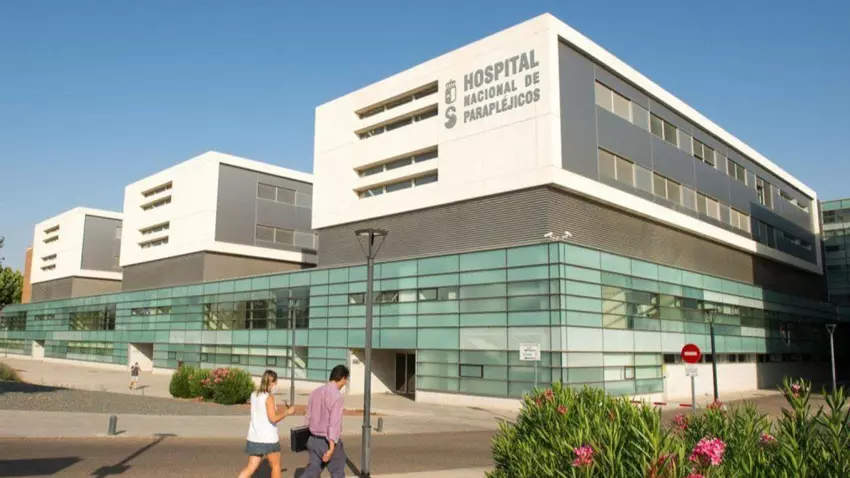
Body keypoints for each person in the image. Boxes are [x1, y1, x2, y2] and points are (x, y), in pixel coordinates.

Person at [238, 370, 296, 478]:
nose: (276, 385)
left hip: (254, 437)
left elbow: (262, 413)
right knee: (276, 466)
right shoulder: (268, 397)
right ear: (272, 382)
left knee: (250, 467)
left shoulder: (254, 395)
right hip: (268, 439)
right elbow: (273, 419)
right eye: (276, 382)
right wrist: (287, 412)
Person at [301, 365, 350, 478]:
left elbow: (307, 417)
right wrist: (331, 448)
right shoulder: (337, 397)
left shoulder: (315, 392)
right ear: (343, 378)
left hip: (312, 439)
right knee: (338, 471)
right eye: (346, 379)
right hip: (327, 442)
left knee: (312, 471)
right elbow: (334, 424)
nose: (345, 383)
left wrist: (306, 439)